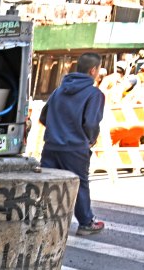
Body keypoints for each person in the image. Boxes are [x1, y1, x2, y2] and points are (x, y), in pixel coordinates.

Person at [40, 52, 106, 236]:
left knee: (48, 184)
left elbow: (43, 116)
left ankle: (41, 221)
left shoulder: (58, 91)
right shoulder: (94, 94)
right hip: (75, 147)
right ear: (93, 70)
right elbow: (91, 123)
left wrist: (57, 130)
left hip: (51, 146)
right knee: (80, 183)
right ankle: (85, 222)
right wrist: (89, 140)